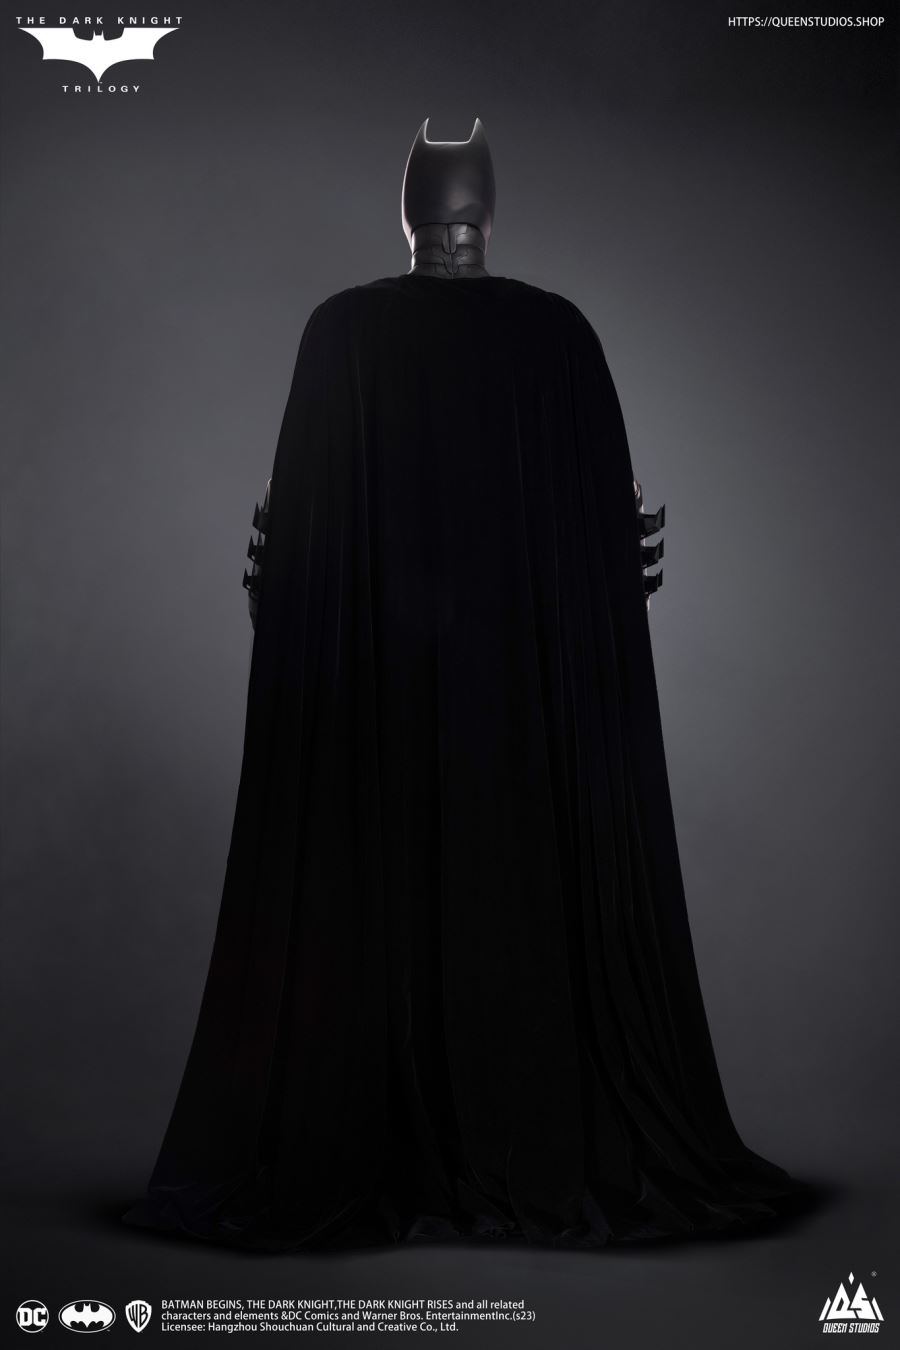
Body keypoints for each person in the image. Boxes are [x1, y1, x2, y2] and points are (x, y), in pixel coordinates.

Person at [122, 119, 805, 1251]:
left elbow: (288, 567)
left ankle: (378, 1135)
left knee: (384, 892)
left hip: (377, 715)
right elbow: (615, 565)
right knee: (517, 898)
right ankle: (532, 1132)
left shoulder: (342, 335)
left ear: (409, 212)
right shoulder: (558, 337)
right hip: (522, 722)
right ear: (487, 212)